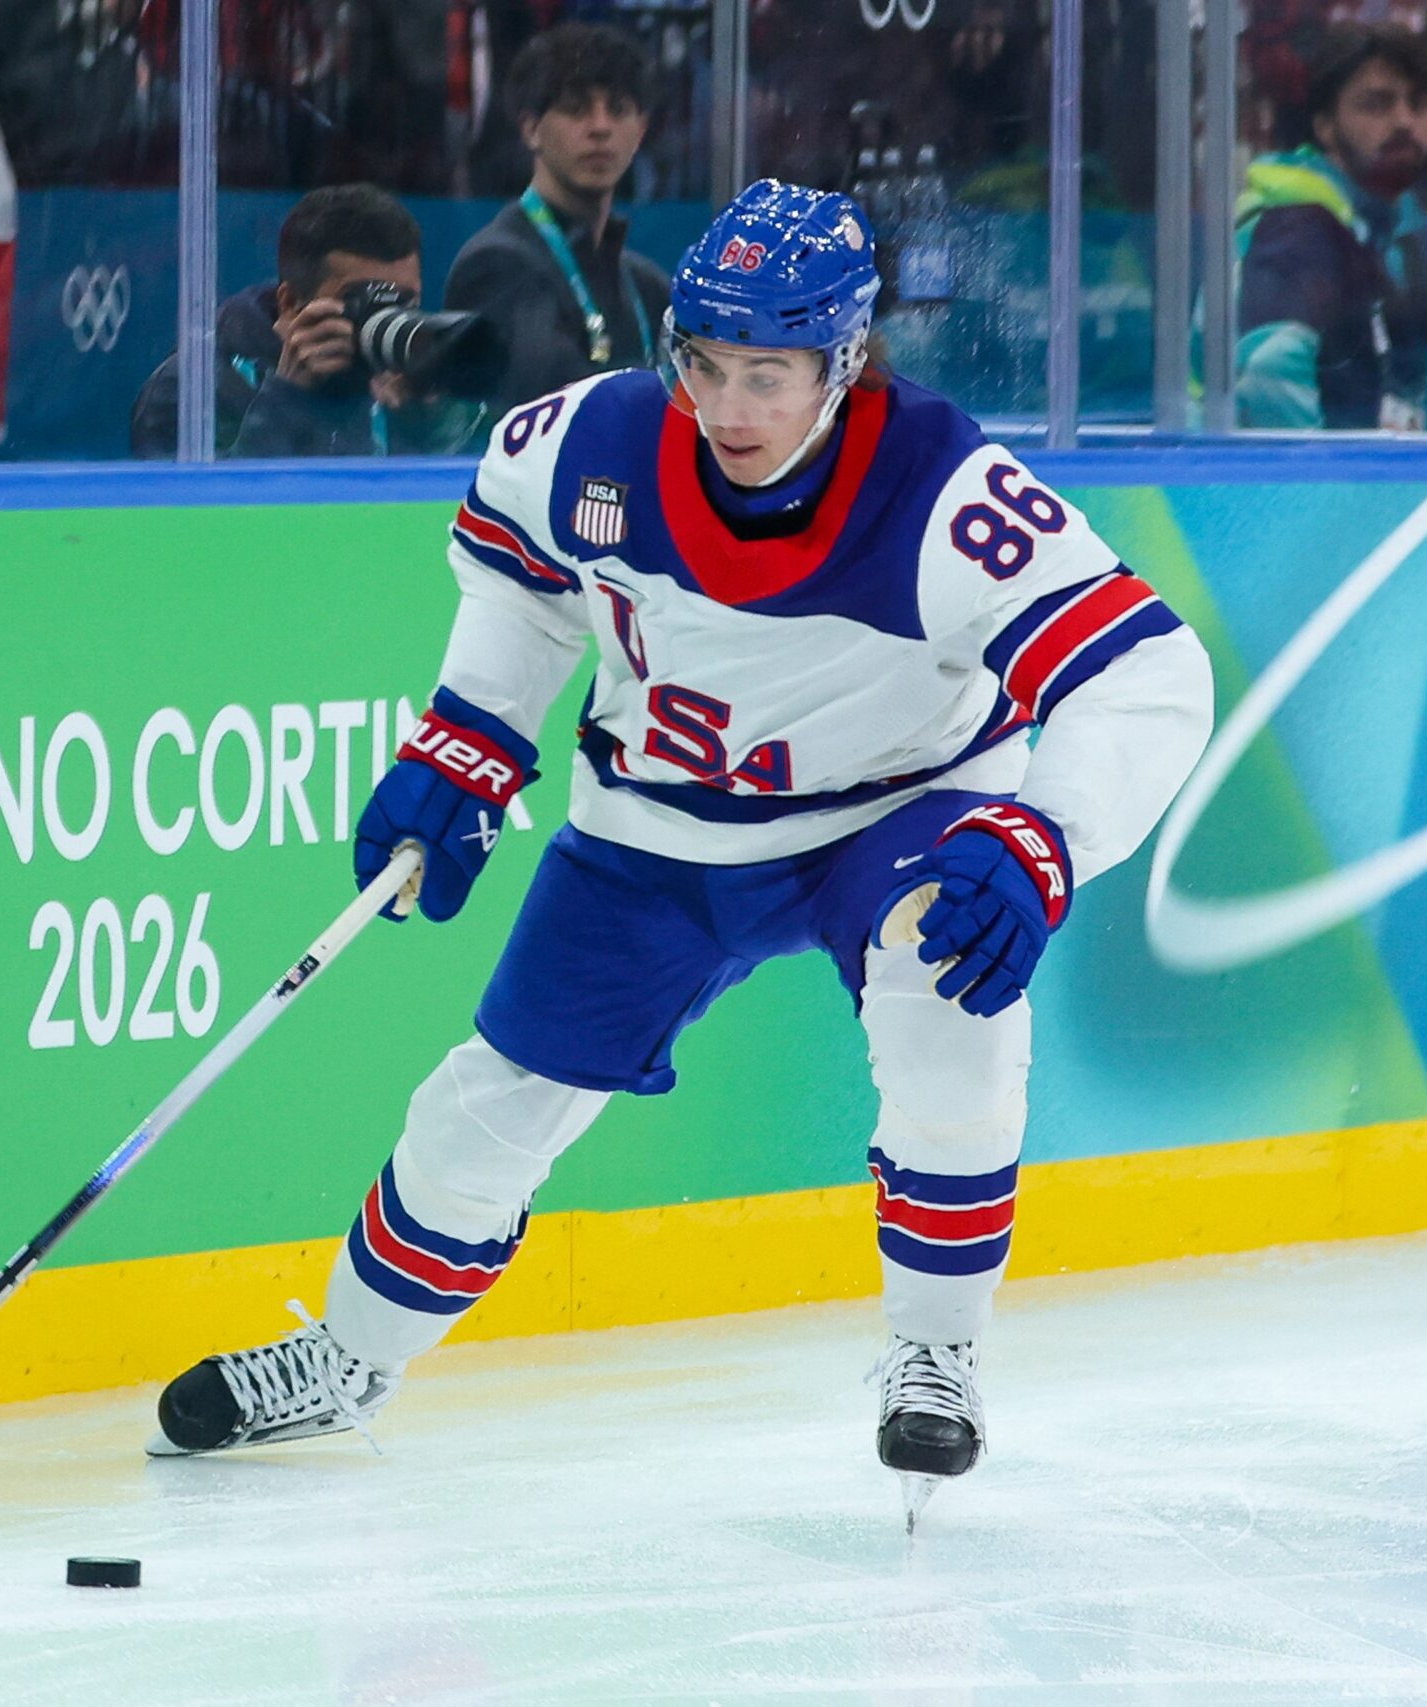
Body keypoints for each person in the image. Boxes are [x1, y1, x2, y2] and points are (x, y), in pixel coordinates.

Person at [146, 182, 1216, 1515]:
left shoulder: (943, 493)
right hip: (651, 830)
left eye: (769, 373)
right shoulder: (584, 446)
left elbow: (1150, 675)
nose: (728, 406)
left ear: (845, 359)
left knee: (950, 1004)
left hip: (890, 814)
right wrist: (466, 737)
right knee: (488, 1107)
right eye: (703, 363)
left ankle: (936, 1348)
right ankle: (350, 1360)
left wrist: (1045, 830)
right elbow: (517, 584)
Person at [131, 184, 487, 459]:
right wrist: (285, 402)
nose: (386, 319)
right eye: (363, 302)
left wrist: (430, 422)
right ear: (289, 303)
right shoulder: (193, 391)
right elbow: (196, 530)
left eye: (404, 302)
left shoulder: (407, 386)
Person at [1234, 26, 1427, 432]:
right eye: (1376, 104)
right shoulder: (1297, 226)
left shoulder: (1395, 228)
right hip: (1241, 488)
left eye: (1419, 103)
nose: (1404, 121)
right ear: (1325, 126)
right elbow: (1267, 372)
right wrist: (1330, 491)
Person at [445, 21, 671, 418]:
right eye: (576, 109)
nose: (600, 128)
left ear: (641, 131)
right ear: (531, 129)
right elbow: (554, 406)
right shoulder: (497, 265)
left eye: (618, 110)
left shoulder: (648, 286)